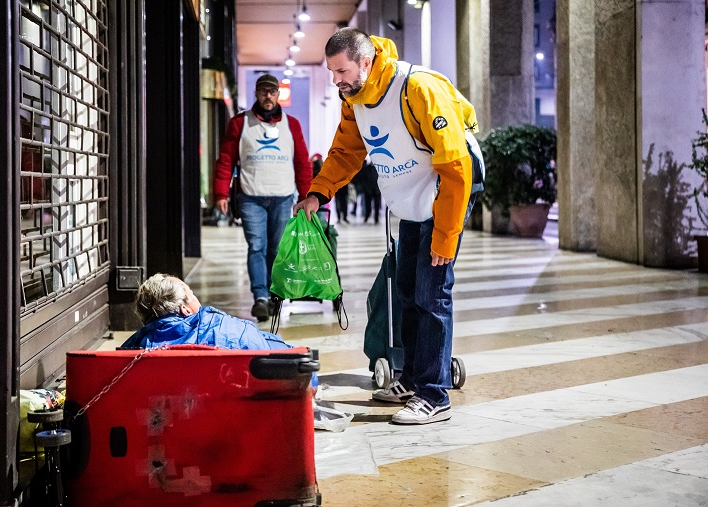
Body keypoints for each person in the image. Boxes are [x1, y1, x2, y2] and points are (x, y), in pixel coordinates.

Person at [293, 28, 483, 425]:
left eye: (341, 70)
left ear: (365, 61)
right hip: (411, 206)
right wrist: (319, 193)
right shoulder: (355, 99)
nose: (336, 80)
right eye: (331, 72)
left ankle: (435, 395)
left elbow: (455, 167)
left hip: (442, 200)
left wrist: (446, 236)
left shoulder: (417, 87)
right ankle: (412, 378)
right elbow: (346, 152)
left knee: (432, 296)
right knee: (408, 294)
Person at [213, 74, 313, 322]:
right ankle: (260, 297)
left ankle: (271, 293)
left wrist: (306, 195)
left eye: (272, 92)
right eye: (263, 91)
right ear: (256, 94)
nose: (268, 96)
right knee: (257, 246)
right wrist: (221, 192)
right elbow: (226, 159)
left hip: (282, 197)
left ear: (278, 95)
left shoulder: (292, 125)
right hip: (251, 197)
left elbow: (302, 163)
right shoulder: (239, 123)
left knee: (276, 249)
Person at [121, 273, 319, 388]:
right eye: (192, 294)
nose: (195, 297)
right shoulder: (228, 330)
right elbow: (298, 370)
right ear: (185, 309)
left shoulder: (129, 354)